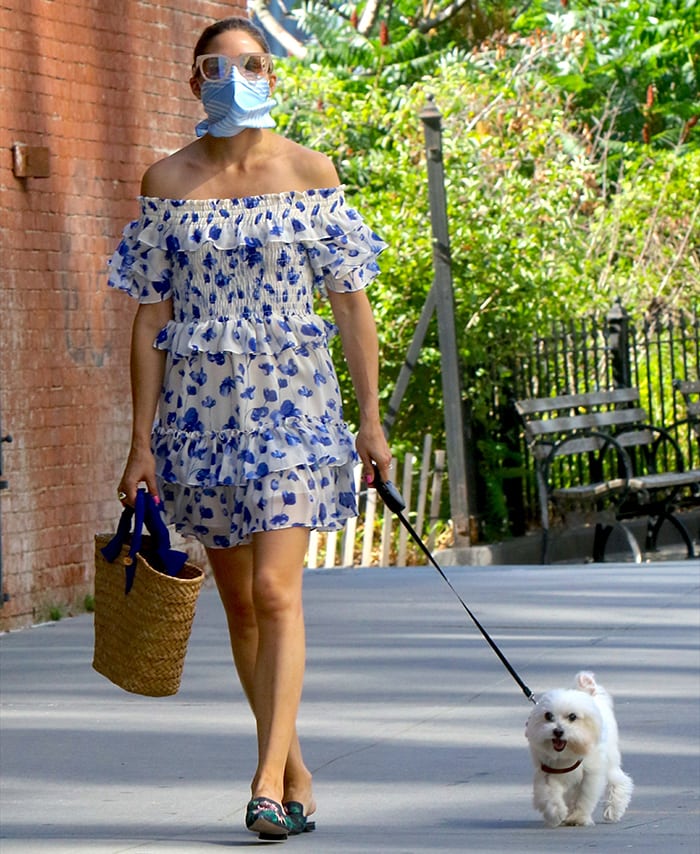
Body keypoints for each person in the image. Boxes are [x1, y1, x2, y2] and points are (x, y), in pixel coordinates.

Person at [108, 14, 392, 842]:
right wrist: (140, 441)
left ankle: (265, 781)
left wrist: (370, 422)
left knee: (276, 593)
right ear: (194, 82)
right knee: (237, 606)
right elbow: (149, 313)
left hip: (294, 411)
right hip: (200, 418)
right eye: (217, 66)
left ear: (272, 75)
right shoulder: (166, 182)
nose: (236, 78)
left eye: (253, 63)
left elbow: (350, 301)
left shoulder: (309, 171)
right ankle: (295, 769)